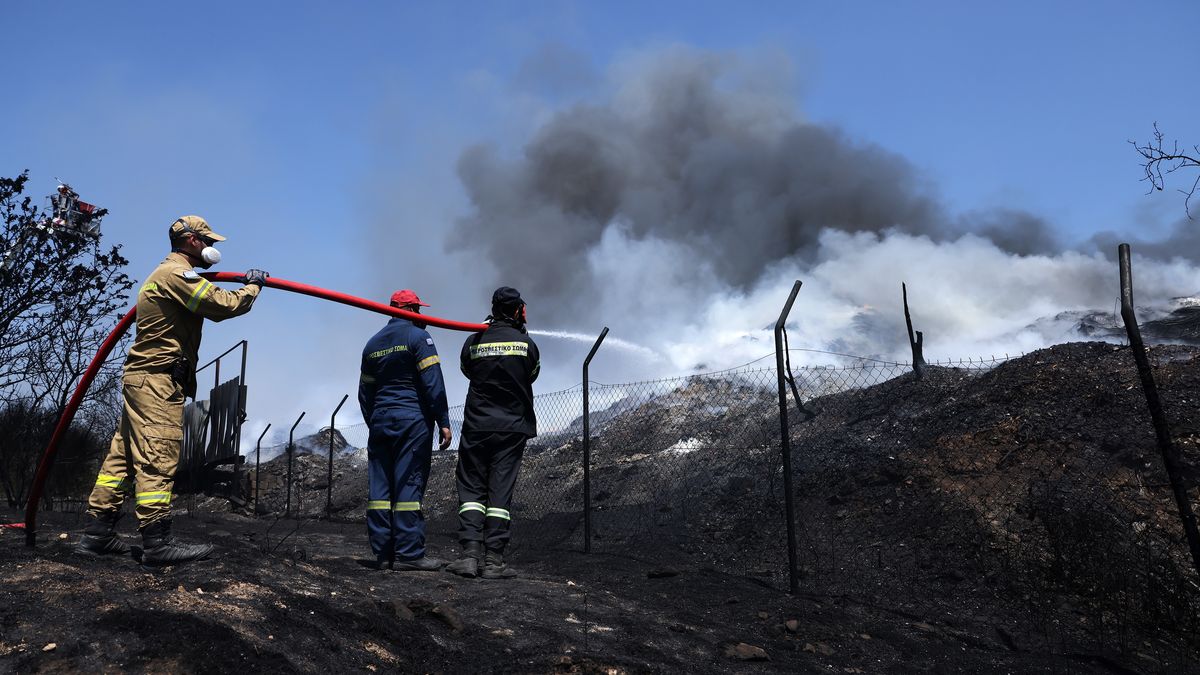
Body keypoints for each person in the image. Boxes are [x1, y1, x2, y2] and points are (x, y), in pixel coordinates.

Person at [76, 215, 268, 566]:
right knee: (158, 456)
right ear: (192, 240)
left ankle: (97, 533)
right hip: (158, 382)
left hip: (142, 379)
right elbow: (223, 306)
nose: (213, 248)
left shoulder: (164, 275)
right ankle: (157, 542)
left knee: (120, 460)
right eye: (208, 241)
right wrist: (253, 286)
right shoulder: (175, 274)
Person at [446, 287, 540, 579]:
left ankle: (469, 556)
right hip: (511, 428)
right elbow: (533, 373)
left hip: (477, 427)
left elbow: (466, 369)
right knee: (500, 491)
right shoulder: (527, 344)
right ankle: (494, 561)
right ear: (517, 311)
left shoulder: (473, 342)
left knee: (472, 489)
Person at [358, 289, 453, 571]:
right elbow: (432, 382)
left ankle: (384, 553)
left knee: (380, 489)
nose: (421, 315)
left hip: (381, 421)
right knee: (408, 484)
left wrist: (374, 420)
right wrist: (443, 421)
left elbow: (365, 392)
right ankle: (410, 554)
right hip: (411, 420)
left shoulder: (372, 344)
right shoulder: (418, 338)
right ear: (411, 310)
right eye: (418, 310)